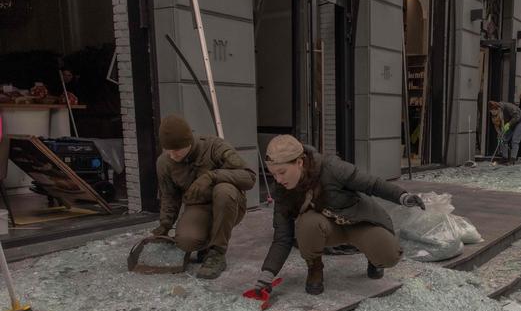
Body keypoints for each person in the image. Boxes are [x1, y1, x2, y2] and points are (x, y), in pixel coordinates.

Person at [255, 135, 425, 296]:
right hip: (327, 228)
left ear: (299, 162)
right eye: (274, 174)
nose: (277, 179)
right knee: (307, 223)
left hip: (357, 221)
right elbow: (282, 236)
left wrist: (402, 196)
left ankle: (372, 257)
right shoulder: (282, 190)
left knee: (389, 256)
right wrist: (267, 273)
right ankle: (314, 267)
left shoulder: (332, 168)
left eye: (282, 172)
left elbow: (372, 184)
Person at [153, 114, 256, 279]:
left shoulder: (214, 146)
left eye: (177, 150)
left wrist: (212, 176)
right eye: (168, 150)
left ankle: (217, 253)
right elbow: (169, 196)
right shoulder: (165, 163)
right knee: (186, 241)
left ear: (189, 142)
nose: (172, 155)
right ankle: (206, 244)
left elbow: (249, 177)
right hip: (198, 207)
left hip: (230, 203)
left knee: (224, 190)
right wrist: (165, 225)